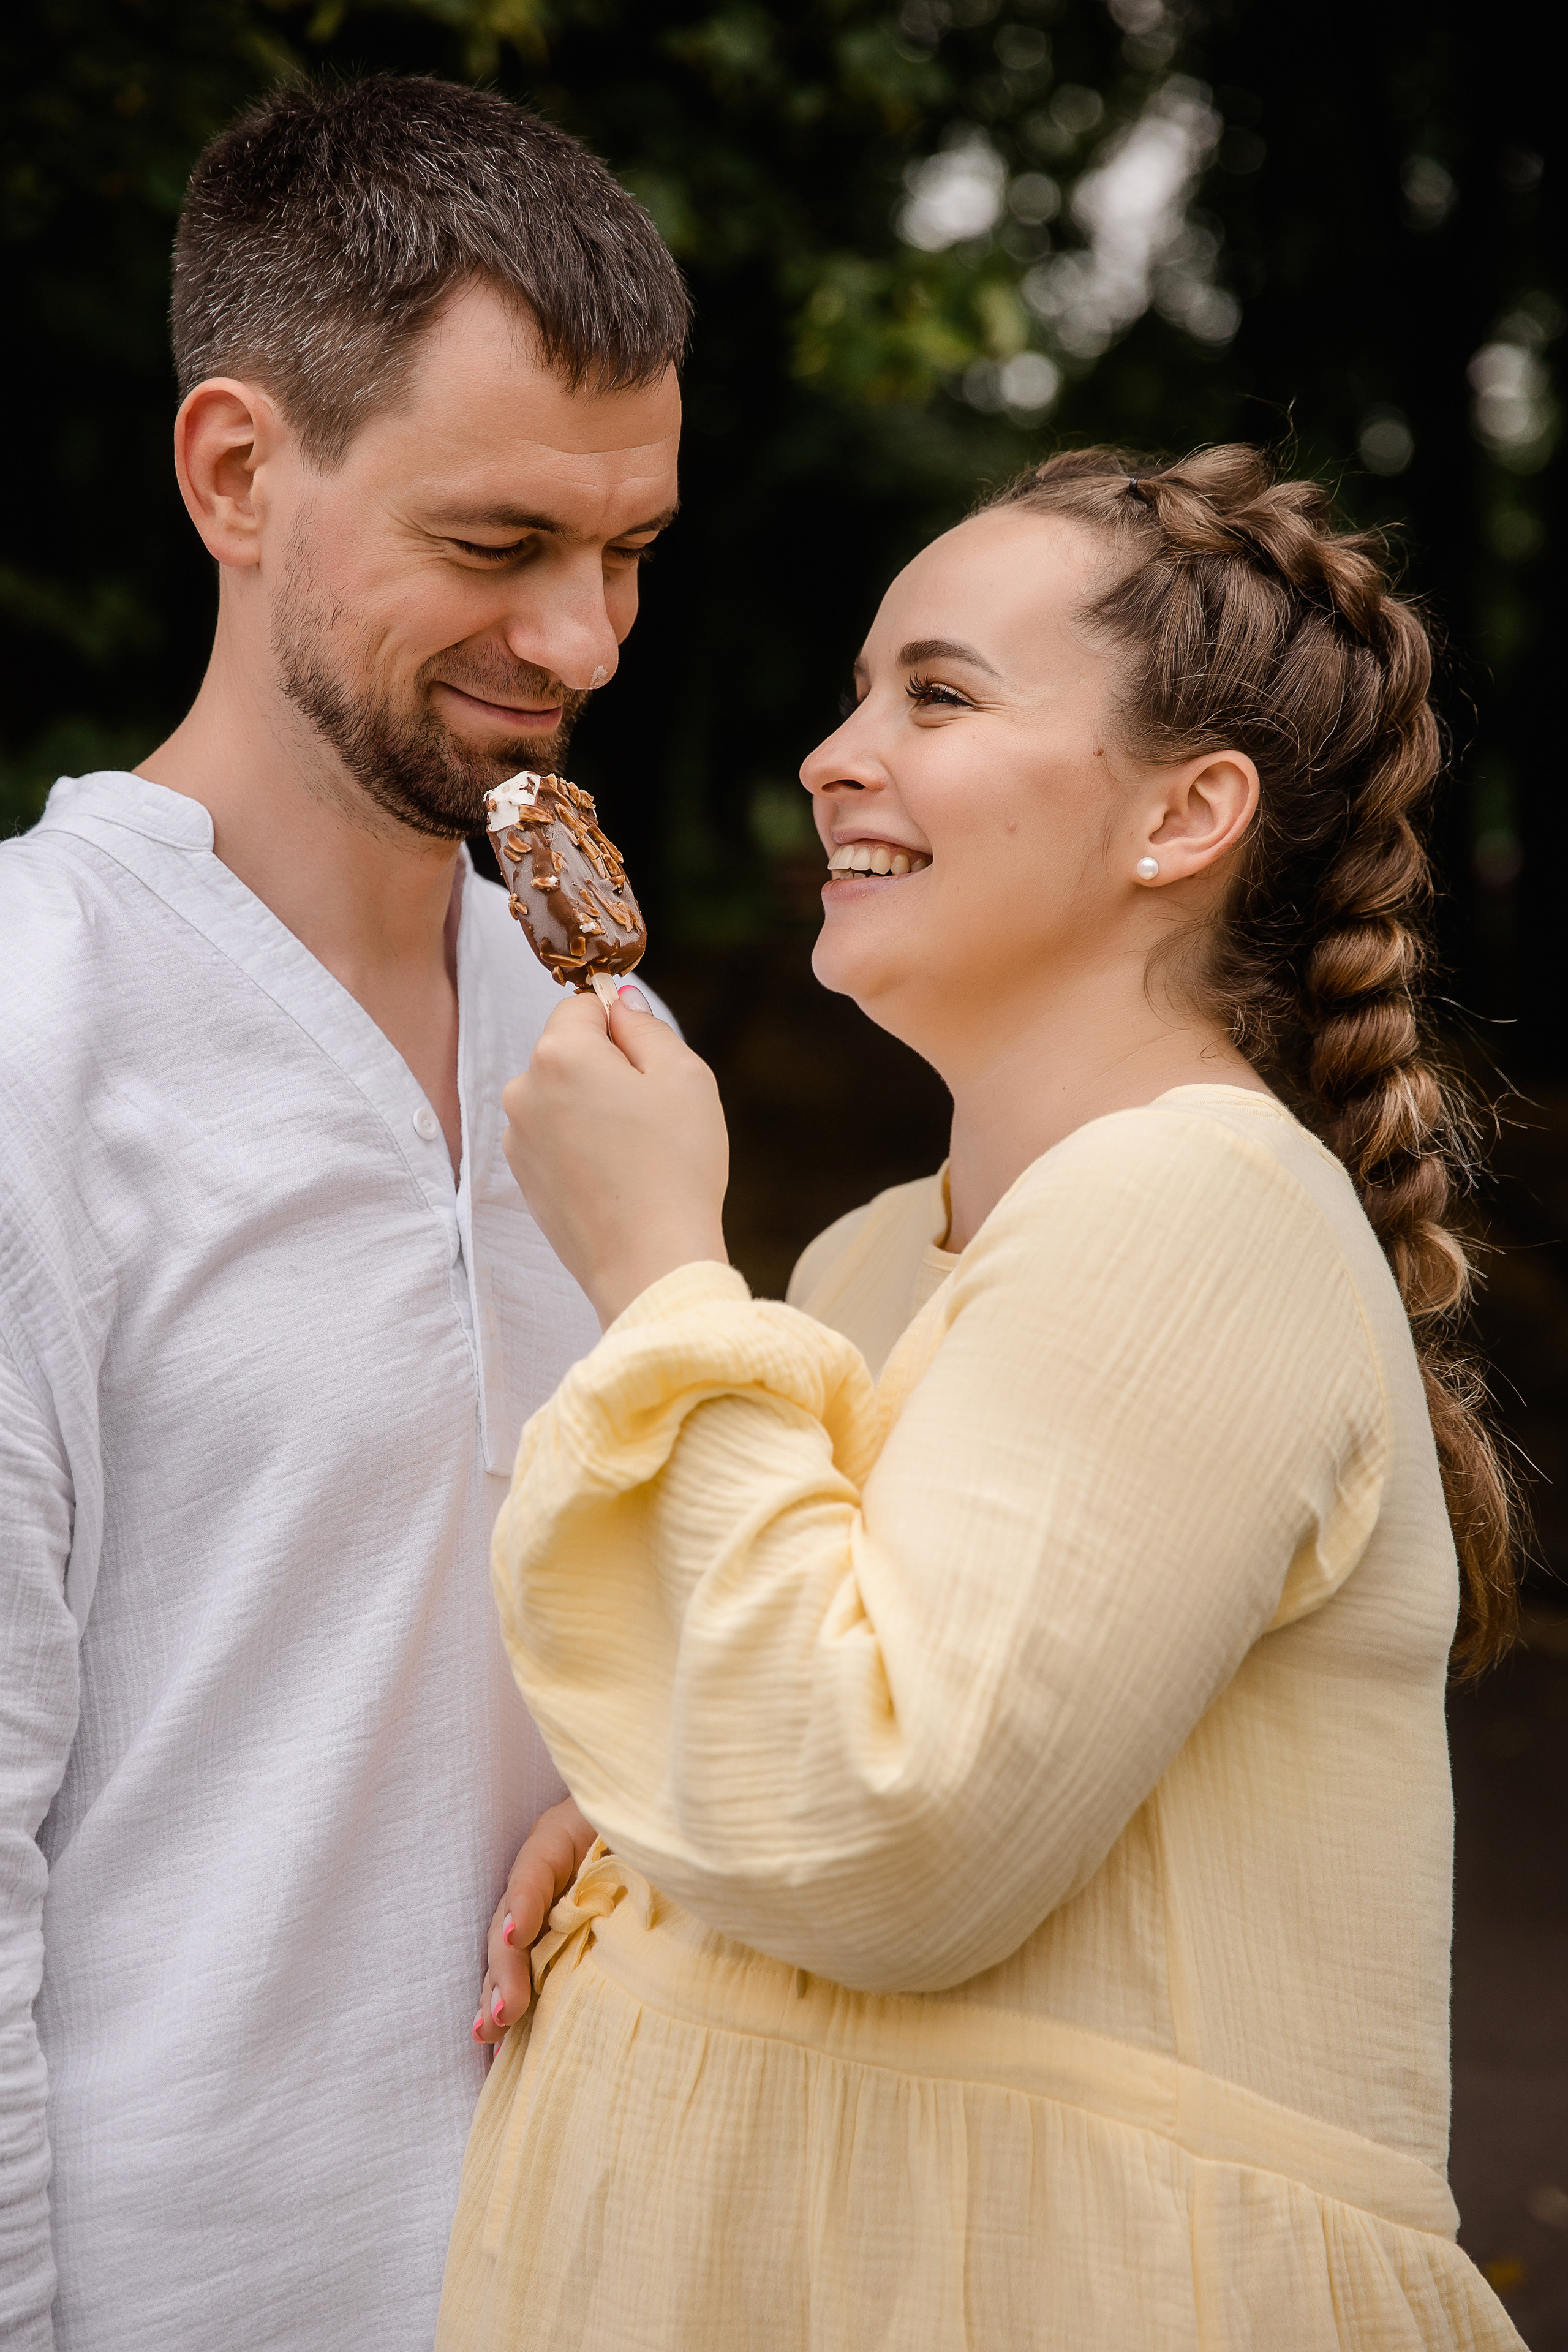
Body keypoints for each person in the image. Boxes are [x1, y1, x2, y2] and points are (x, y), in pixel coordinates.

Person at [438, 447, 1524, 2348]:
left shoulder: (1198, 1206)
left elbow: (887, 1835)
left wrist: (660, 1275)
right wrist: (659, 1825)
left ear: (1187, 817)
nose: (833, 754)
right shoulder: (877, 1256)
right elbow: (820, 1705)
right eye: (858, 692)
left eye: (935, 696)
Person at [0, 75, 686, 2352]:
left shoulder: (592, 1034)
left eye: (630, 555)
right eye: (499, 548)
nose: (584, 644)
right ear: (234, 475)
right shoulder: (35, 1030)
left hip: (603, 2272)